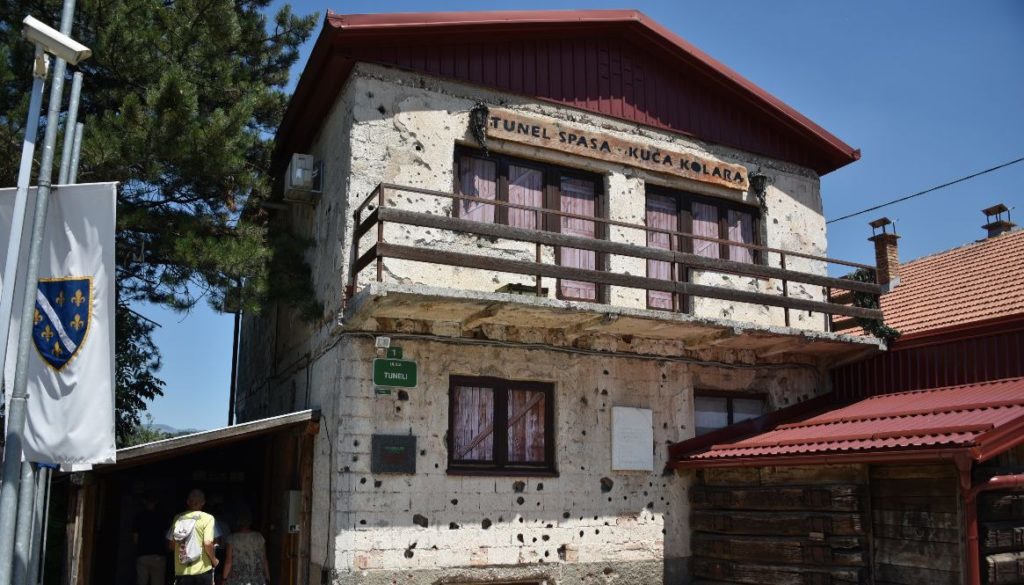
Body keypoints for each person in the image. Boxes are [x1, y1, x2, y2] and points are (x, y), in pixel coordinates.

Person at [168, 489, 218, 585]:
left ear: (188, 502)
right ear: (203, 502)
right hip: (202, 570)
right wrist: (214, 560)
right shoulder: (208, 518)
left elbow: (171, 545)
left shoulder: (178, 518)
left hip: (182, 571)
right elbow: (207, 543)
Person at [222, 509, 269, 585]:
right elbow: (264, 559)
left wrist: (224, 578)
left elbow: (228, 561)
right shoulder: (259, 537)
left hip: (238, 579)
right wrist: (267, 577)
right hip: (257, 578)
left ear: (238, 522)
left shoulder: (232, 539)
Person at [133, 494, 168, 585]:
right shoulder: (162, 516)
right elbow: (167, 536)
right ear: (156, 502)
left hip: (142, 555)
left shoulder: (139, 516)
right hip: (158, 556)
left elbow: (135, 539)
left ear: (144, 502)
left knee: (141, 581)